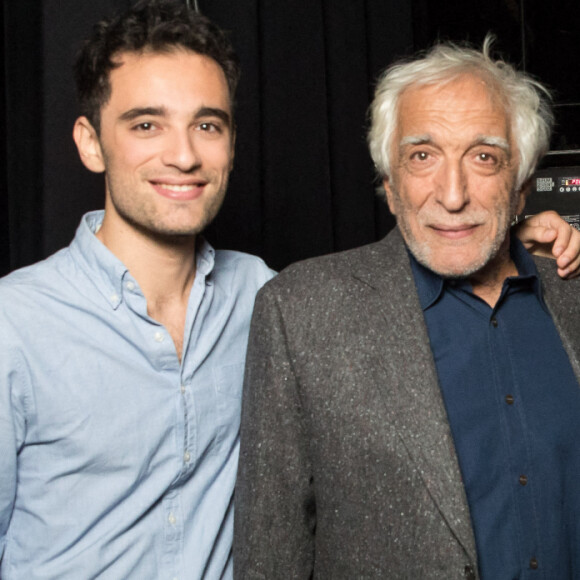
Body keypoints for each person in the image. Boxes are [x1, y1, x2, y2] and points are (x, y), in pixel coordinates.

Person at [234, 37, 580, 579]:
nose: (452, 193)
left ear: (520, 188)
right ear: (390, 185)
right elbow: (270, 557)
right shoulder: (300, 314)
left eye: (484, 157)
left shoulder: (571, 293)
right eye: (423, 156)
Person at [0, 1, 275, 578]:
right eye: (147, 124)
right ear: (91, 143)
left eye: (207, 125)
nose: (183, 155)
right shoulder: (13, 325)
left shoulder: (262, 296)